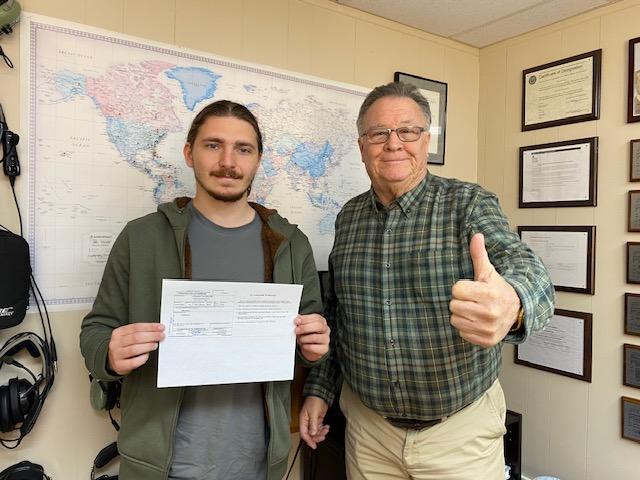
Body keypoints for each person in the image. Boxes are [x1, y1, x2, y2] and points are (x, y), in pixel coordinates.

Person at [299, 82, 555, 480]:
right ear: (362, 146)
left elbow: (526, 267)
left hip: (459, 436)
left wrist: (513, 302)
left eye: (408, 131)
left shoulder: (468, 203)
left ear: (426, 141)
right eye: (378, 133)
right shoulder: (348, 217)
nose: (393, 143)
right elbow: (337, 314)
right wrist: (320, 390)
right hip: (369, 435)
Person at [80, 100, 330, 480]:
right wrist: (109, 353)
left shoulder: (291, 245)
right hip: (160, 465)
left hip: (258, 464)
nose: (228, 162)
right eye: (213, 145)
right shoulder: (141, 237)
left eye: (243, 149)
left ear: (258, 160)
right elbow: (96, 330)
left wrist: (313, 348)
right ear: (189, 153)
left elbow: (308, 340)